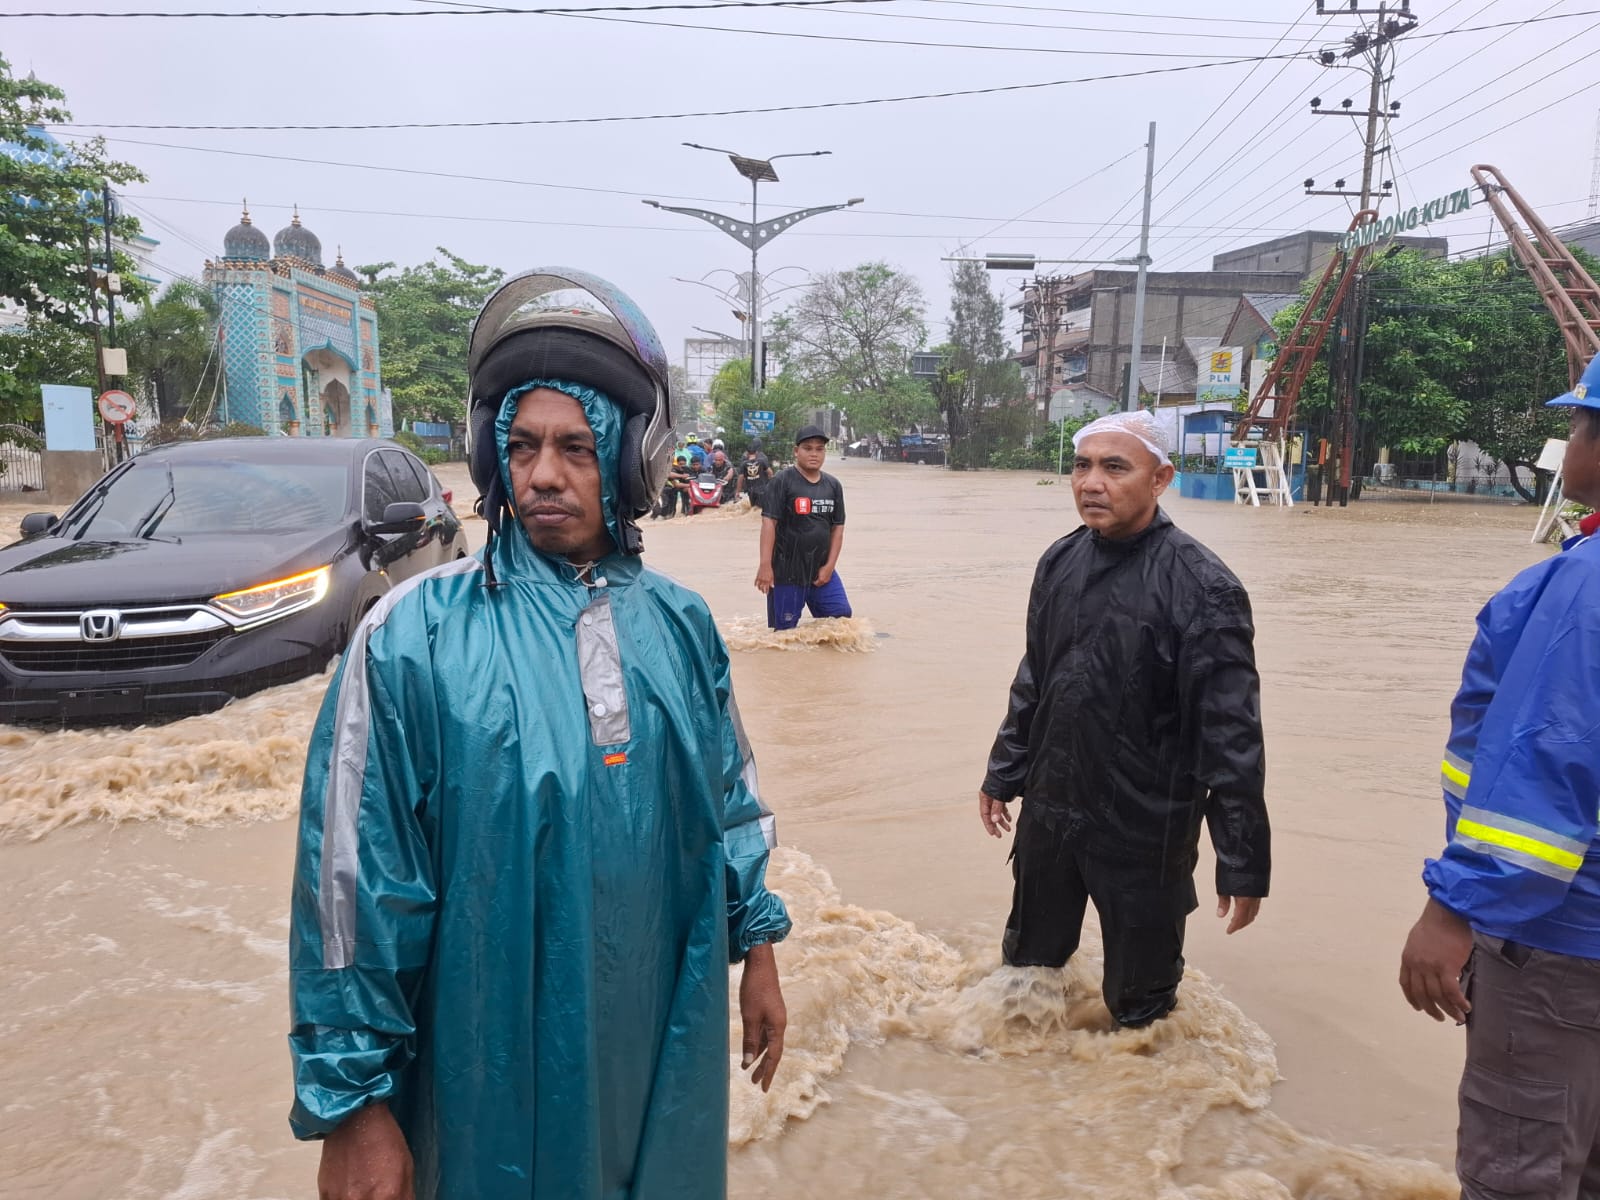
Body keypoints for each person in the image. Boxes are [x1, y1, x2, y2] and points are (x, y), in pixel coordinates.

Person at [288, 268, 791, 1200]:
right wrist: (353, 1108)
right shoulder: (412, 635)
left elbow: (729, 801)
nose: (544, 475)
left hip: (660, 1037)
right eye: (521, 446)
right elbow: (351, 889)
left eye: (577, 448)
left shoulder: (682, 626)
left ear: (631, 460)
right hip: (484, 1070)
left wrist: (757, 949)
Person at [977, 409, 1270, 1029]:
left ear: (1160, 479)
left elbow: (1230, 735)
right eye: (1082, 466)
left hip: (1145, 827)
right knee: (1027, 975)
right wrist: (1004, 772)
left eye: (1115, 468)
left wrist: (1242, 861)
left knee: (1141, 1009)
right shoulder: (1060, 561)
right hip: (1052, 810)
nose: (1091, 483)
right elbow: (1036, 676)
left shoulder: (1203, 587)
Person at [1398, 356, 1600, 1199]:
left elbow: (1544, 768)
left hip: (1558, 945)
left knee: (1520, 1174)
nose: (1571, 442)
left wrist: (1454, 909)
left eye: (1580, 426)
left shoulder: (1582, 587)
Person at [754, 425, 852, 631]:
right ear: (796, 451)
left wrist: (829, 567)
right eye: (808, 448)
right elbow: (769, 523)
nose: (814, 454)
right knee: (784, 632)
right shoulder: (781, 481)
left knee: (840, 620)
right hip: (786, 571)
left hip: (821, 569)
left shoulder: (833, 485)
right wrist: (765, 565)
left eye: (819, 449)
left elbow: (838, 529)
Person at [737, 441, 773, 511]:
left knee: (753, 509)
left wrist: (737, 492)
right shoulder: (762, 461)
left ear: (747, 453)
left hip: (751, 491)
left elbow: (740, 479)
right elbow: (770, 473)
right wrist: (769, 484)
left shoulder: (744, 464)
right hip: (762, 490)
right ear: (756, 452)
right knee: (760, 510)